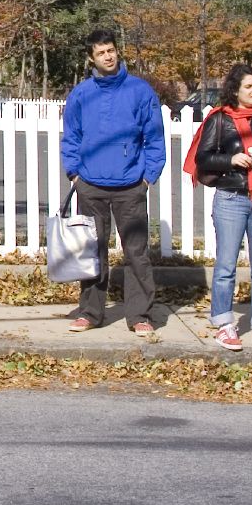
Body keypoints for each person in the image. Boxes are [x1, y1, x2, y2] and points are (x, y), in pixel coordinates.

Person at [58, 28, 167, 336]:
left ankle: (139, 315)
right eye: (101, 52)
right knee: (92, 252)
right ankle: (91, 312)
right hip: (90, 184)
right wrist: (75, 173)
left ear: (118, 52)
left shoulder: (140, 91)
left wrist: (148, 176)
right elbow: (72, 137)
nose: (108, 56)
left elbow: (154, 137)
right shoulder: (81, 93)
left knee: (136, 254)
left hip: (131, 185)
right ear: (91, 58)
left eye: (111, 50)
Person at [186, 63, 252, 350]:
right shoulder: (220, 120)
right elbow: (203, 158)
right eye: (249, 86)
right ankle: (224, 324)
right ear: (236, 90)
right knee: (226, 266)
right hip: (231, 198)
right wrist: (231, 160)